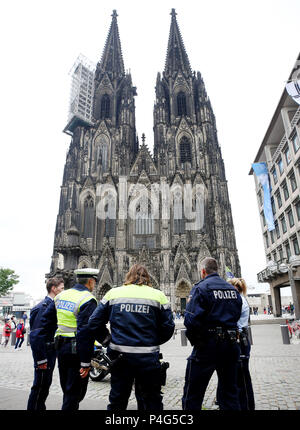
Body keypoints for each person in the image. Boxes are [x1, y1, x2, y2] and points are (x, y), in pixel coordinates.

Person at [88, 263, 175, 410]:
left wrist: (108, 340)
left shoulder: (113, 294)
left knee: (117, 401)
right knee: (151, 402)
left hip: (120, 358)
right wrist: (153, 341)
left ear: (128, 276)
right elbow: (169, 327)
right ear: (147, 278)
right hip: (148, 358)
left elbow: (93, 322)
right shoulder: (158, 295)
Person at [182, 257, 242, 410]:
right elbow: (237, 315)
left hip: (208, 346)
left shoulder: (201, 288)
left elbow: (190, 321)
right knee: (230, 393)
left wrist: (199, 342)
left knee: (193, 394)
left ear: (203, 271)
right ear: (217, 269)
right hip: (231, 345)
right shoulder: (233, 290)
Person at [38, 268, 103, 410]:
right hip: (77, 351)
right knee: (75, 392)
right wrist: (86, 362)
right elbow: (85, 332)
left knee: (67, 388)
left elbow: (45, 321)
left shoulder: (61, 296)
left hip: (61, 348)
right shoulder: (88, 299)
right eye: (94, 282)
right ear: (91, 282)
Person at [217, 278, 255, 410]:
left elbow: (233, 322)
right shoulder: (240, 299)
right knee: (236, 374)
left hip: (239, 340)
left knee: (242, 376)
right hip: (240, 340)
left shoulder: (239, 301)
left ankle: (246, 405)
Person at [27, 277, 64, 410]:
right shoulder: (43, 307)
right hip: (45, 352)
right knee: (40, 386)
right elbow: (36, 335)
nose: (63, 291)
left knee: (44, 386)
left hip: (50, 350)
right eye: (61, 288)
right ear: (53, 289)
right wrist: (41, 360)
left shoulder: (51, 305)